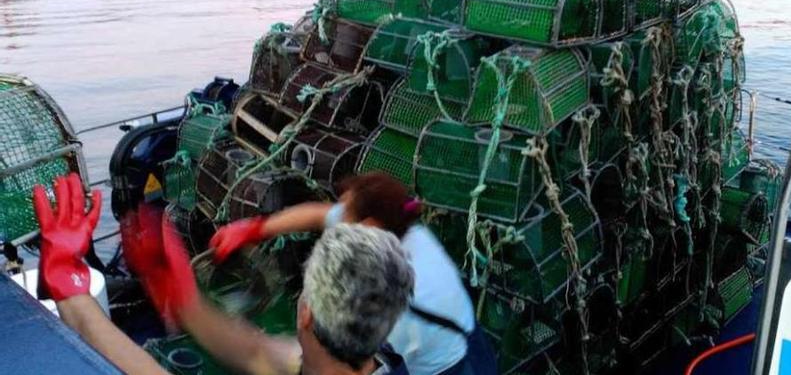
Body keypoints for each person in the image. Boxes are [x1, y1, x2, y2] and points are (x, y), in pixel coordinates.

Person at [32, 173, 415, 375]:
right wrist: (184, 300)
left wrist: (70, 285)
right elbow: (255, 351)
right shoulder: (369, 358)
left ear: (307, 313)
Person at [210, 171, 498, 375]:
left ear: (368, 225)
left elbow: (333, 360)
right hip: (463, 332)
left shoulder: (395, 293)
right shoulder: (398, 229)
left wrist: (250, 342)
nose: (339, 216)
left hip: (448, 366)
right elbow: (319, 214)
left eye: (346, 213)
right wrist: (254, 229)